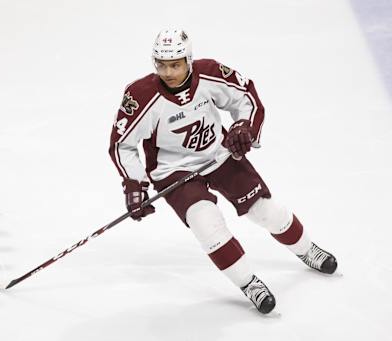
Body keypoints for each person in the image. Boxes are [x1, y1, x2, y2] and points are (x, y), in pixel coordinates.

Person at [108, 28, 337, 314]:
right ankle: (248, 282)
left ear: (189, 60)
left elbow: (246, 98)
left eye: (175, 64)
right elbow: (122, 145)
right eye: (161, 64)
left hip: (219, 154)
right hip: (174, 170)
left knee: (266, 211)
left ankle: (307, 249)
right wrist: (135, 184)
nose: (168, 72)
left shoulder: (210, 73)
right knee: (206, 223)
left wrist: (243, 126)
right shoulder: (140, 95)